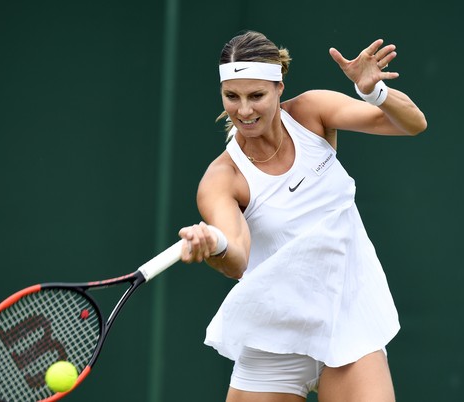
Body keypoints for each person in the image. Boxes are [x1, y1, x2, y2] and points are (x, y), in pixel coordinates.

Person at [178, 30, 427, 402]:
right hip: (274, 334)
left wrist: (375, 92)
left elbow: (412, 123)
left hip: (348, 323)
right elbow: (237, 260)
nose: (244, 110)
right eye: (232, 96)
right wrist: (215, 244)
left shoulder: (312, 113)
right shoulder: (222, 179)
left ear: (279, 86)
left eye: (256, 95)